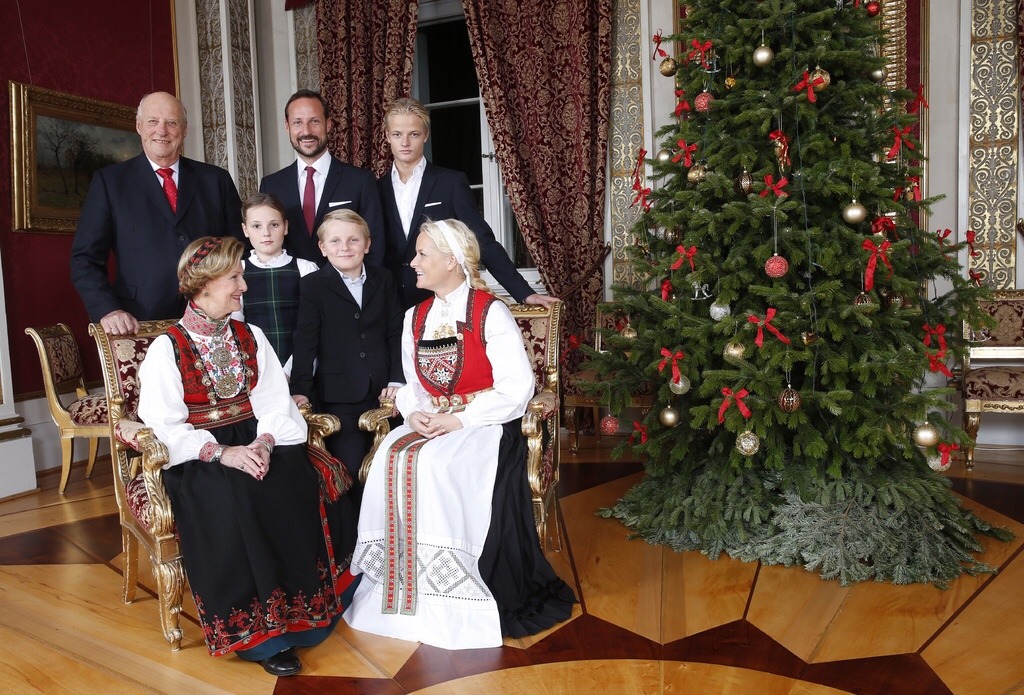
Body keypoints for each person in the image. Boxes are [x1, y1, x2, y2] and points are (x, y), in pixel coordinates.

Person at [343, 219, 575, 650]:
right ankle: (401, 589)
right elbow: (409, 384)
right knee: (390, 460)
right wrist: (413, 416)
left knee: (436, 464)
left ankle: (457, 590)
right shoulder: (415, 316)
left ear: (451, 260)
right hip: (431, 419)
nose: (413, 262)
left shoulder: (490, 311)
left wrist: (459, 421)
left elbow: (517, 386)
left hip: (486, 424)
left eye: (423, 254)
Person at [137, 236, 359, 676]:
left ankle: (308, 609)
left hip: (256, 438)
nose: (243, 286)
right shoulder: (167, 348)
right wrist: (224, 453)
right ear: (203, 284)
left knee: (288, 477)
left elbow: (275, 401)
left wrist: (264, 442)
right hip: (200, 456)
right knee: (235, 495)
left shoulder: (250, 335)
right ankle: (263, 636)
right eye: (234, 277)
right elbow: (163, 425)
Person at [71, 91, 243, 335]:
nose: (162, 131)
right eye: (153, 122)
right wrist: (107, 309)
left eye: (171, 123)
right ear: (139, 126)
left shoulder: (216, 180)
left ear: (184, 130)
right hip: (140, 323)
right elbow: (85, 259)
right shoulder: (110, 183)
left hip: (213, 318)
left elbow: (239, 249)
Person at [378, 97, 560, 309]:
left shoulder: (451, 183)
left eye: (414, 134)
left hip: (439, 303)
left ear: (426, 135)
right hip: (386, 306)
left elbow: (481, 240)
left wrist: (524, 293)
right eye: (397, 134)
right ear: (387, 136)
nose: (405, 142)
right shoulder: (374, 189)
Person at [290, 210, 404, 500]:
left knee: (392, 464)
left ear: (367, 244)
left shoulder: (384, 278)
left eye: (354, 240)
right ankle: (356, 540)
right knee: (351, 467)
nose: (345, 247)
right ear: (322, 247)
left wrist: (398, 379)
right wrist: (300, 389)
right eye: (336, 240)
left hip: (384, 391)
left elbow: (395, 332)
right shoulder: (313, 285)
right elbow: (306, 339)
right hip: (340, 395)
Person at [260, 89, 385, 267]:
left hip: (345, 290)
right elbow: (264, 246)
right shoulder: (271, 185)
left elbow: (375, 245)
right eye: (297, 122)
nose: (306, 131)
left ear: (328, 124)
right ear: (287, 126)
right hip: (290, 289)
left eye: (314, 121)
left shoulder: (360, 181)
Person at [231, 192, 318, 377]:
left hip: (303, 368)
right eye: (256, 226)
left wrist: (289, 372)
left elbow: (314, 328)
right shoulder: (238, 271)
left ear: (285, 227)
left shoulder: (306, 269)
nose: (266, 233)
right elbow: (235, 328)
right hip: (256, 369)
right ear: (245, 230)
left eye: (274, 225)